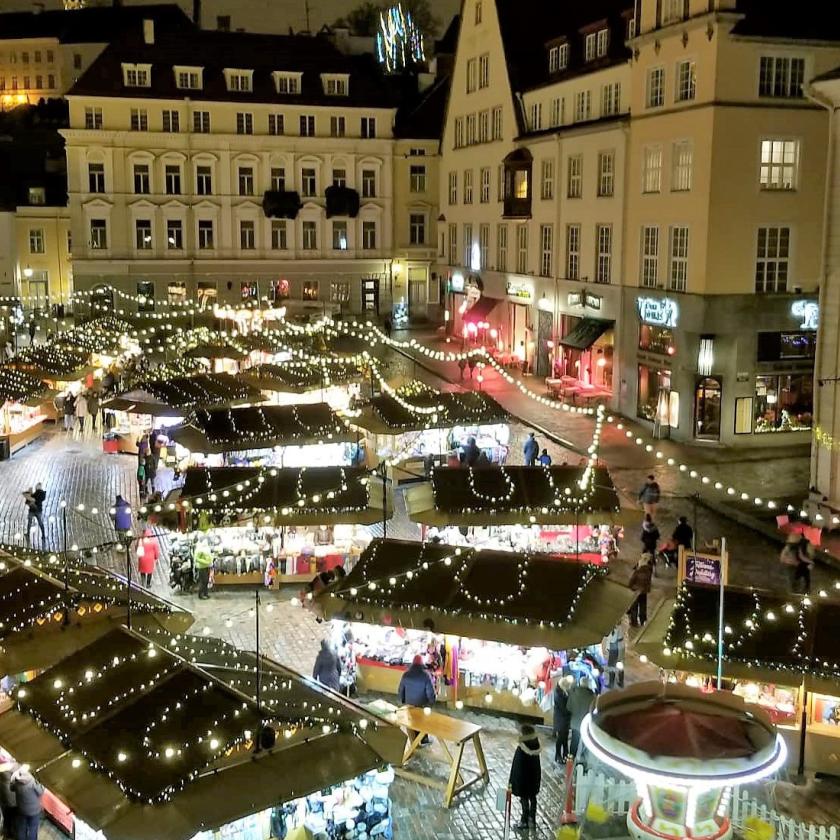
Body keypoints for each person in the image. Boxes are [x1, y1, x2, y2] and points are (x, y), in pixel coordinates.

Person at [509, 722, 541, 831]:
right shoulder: (535, 748)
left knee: (524, 799)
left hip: (523, 782)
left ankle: (524, 821)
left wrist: (514, 783)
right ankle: (532, 817)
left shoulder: (521, 750)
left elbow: (517, 768)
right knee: (533, 797)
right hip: (533, 780)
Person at [398, 654, 436, 745]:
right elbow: (430, 692)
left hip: (409, 703)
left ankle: (413, 740)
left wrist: (402, 700)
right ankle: (423, 740)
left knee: (411, 721)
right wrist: (431, 702)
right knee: (422, 722)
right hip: (421, 704)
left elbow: (401, 690)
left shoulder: (406, 674)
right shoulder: (426, 675)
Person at [10, 764, 42, 840]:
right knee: (33, 828)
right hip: (34, 811)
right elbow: (41, 791)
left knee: (21, 828)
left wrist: (13, 778)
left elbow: (11, 788)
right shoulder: (33, 782)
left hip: (22, 810)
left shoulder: (16, 782)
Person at [567, 677, 596, 757]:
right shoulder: (592, 697)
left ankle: (571, 759)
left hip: (575, 723)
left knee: (574, 742)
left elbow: (568, 707)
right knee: (585, 743)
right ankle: (582, 762)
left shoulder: (573, 694)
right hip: (585, 725)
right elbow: (593, 711)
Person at [552, 675, 574, 764]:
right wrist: (571, 711)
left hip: (562, 719)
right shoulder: (559, 694)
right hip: (561, 719)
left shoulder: (560, 692)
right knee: (561, 738)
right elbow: (564, 708)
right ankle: (558, 755)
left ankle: (565, 754)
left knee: (564, 737)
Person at [628, 554, 654, 627]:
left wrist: (630, 587)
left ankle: (634, 622)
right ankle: (643, 620)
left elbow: (632, 580)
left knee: (634, 607)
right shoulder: (649, 571)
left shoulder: (638, 571)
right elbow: (648, 582)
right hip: (644, 592)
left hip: (636, 591)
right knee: (643, 606)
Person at [604, 624, 626, 689]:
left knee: (611, 665)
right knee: (620, 664)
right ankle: (621, 682)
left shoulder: (614, 628)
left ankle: (611, 684)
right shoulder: (620, 626)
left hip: (614, 648)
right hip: (621, 646)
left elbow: (613, 640)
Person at [0, 761, 16, 839]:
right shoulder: (9, 774)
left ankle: (6, 832)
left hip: (4, 801)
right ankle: (9, 834)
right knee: (11, 818)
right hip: (11, 802)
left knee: (6, 818)